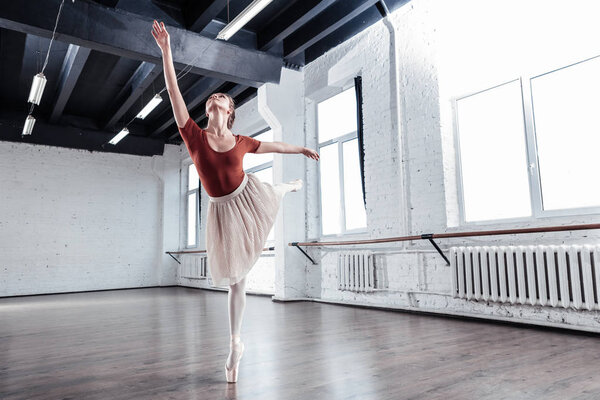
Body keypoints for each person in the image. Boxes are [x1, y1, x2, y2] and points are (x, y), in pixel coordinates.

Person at [151, 20, 320, 383]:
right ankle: (235, 344)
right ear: (208, 110)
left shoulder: (242, 140)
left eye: (223, 99)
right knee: (236, 280)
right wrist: (167, 51)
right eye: (212, 97)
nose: (215, 98)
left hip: (247, 196)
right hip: (222, 210)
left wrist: (302, 147)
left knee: (273, 192)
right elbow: (173, 89)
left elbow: (275, 145)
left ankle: (287, 187)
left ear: (229, 111)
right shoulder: (193, 136)